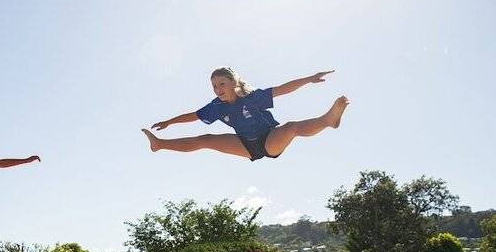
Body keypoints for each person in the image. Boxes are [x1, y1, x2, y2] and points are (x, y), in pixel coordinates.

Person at [142, 67, 349, 161]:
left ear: (233, 83)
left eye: (222, 84)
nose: (218, 89)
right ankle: (159, 145)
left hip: (269, 139)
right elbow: (194, 115)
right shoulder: (216, 106)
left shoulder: (252, 98)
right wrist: (169, 122)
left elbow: (283, 89)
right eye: (214, 86)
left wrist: (309, 79)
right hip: (244, 145)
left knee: (291, 127)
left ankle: (327, 120)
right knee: (205, 139)